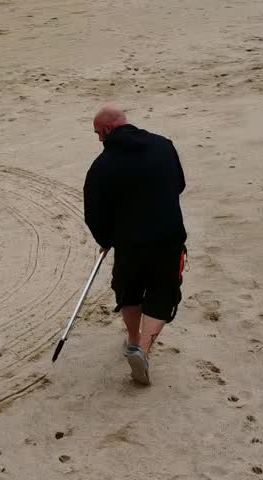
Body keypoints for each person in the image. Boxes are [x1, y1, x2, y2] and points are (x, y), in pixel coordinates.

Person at [84, 106, 187, 386]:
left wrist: (106, 239)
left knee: (129, 290)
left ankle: (132, 340)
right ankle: (143, 347)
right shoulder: (164, 146)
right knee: (163, 292)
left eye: (98, 133)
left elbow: (93, 213)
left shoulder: (102, 166)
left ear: (108, 130)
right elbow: (179, 184)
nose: (99, 139)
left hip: (129, 242)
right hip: (168, 235)